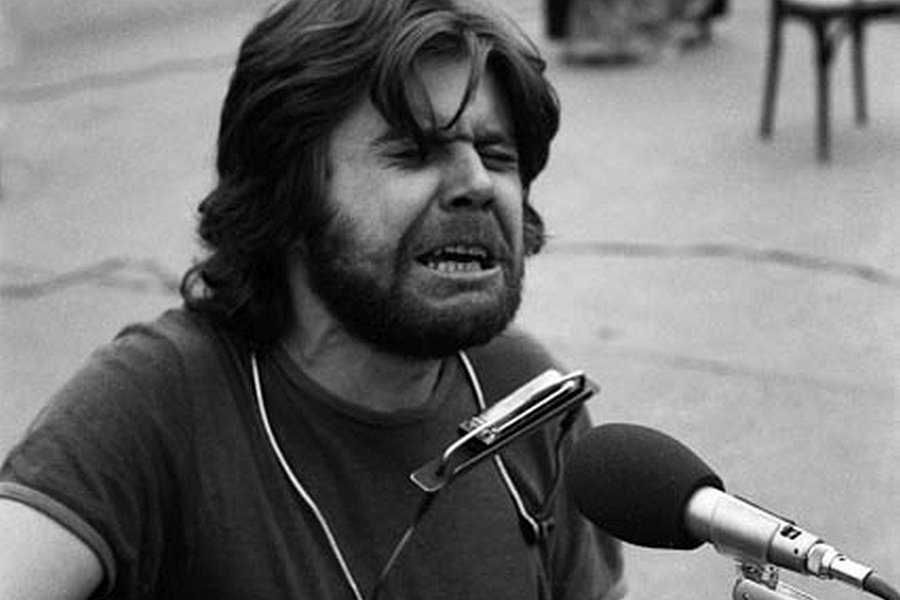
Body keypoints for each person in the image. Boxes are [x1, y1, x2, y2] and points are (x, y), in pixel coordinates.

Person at [0, 0, 626, 598]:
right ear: (289, 198)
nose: (477, 184)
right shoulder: (159, 401)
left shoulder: (527, 400)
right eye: (414, 153)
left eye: (496, 155)